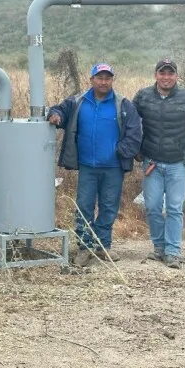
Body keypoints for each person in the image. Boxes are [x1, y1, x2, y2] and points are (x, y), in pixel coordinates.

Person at [47, 63, 142, 267]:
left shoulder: (123, 104)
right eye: (99, 77)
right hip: (87, 167)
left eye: (107, 78)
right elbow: (58, 111)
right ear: (91, 80)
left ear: (112, 81)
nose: (103, 82)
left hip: (113, 168)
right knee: (84, 207)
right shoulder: (78, 102)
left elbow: (135, 133)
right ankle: (84, 248)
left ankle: (102, 246)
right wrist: (54, 116)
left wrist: (119, 152)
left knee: (109, 208)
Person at [132, 59, 185, 269]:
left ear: (176, 76)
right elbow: (129, 123)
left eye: (170, 73)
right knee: (153, 207)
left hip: (177, 163)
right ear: (155, 75)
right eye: (162, 73)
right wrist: (134, 150)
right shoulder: (142, 96)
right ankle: (159, 248)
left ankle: (173, 252)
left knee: (175, 208)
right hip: (152, 163)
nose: (166, 77)